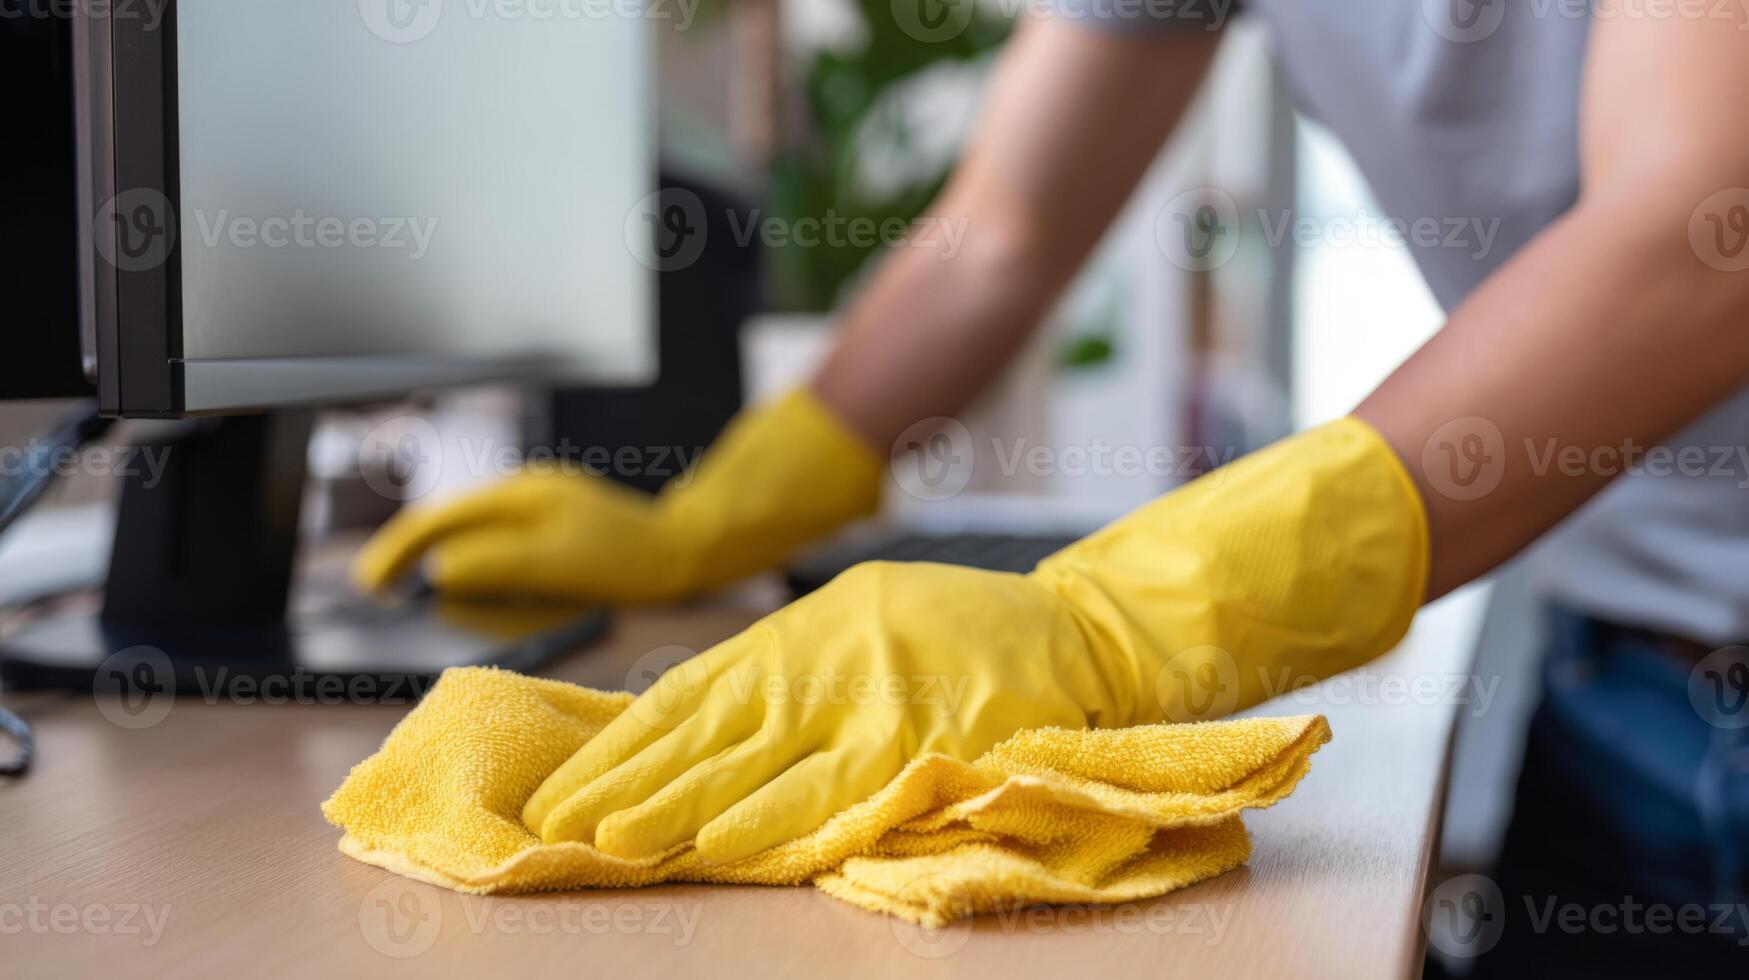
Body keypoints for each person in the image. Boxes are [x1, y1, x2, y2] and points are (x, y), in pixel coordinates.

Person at [354, 4, 1749, 972]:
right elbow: (996, 236)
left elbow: (1703, 229)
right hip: (1622, 681)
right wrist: (723, 511)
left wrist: (1109, 625)